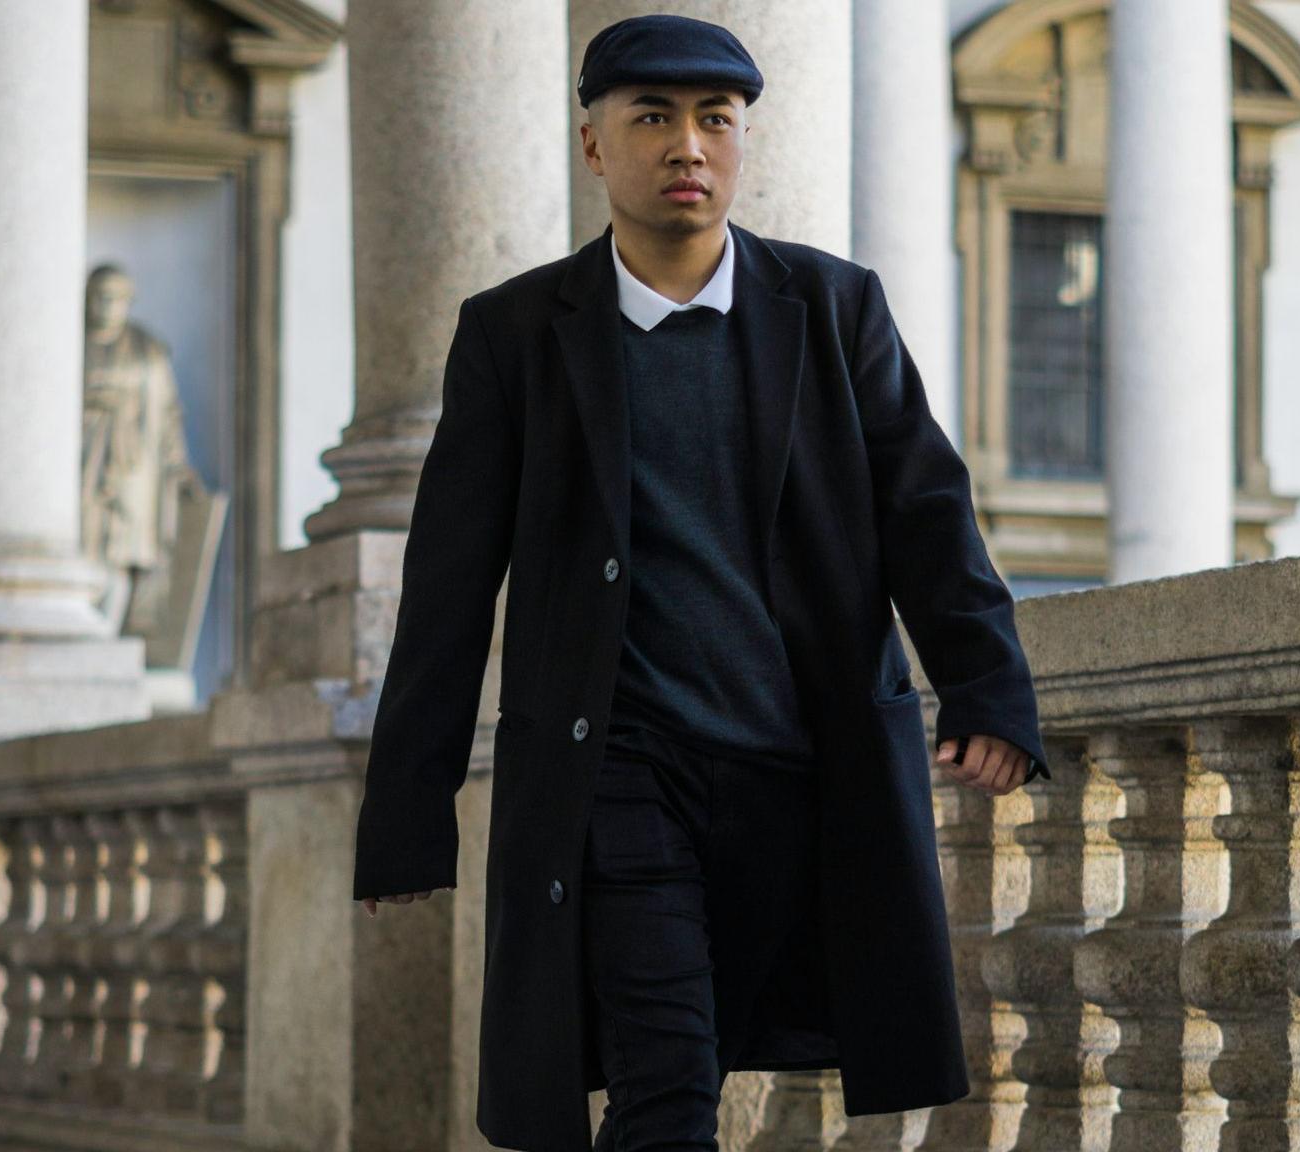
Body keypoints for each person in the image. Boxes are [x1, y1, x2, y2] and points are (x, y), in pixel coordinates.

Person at [354, 14, 1049, 1152]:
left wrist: (987, 691)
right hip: (619, 773)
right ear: (595, 148)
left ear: (739, 143)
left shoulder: (833, 310)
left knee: (707, 1057)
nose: (689, 146)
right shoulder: (515, 335)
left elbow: (926, 512)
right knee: (667, 1084)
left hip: (799, 771)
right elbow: (447, 584)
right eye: (655, 119)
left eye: (715, 121)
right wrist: (406, 813)